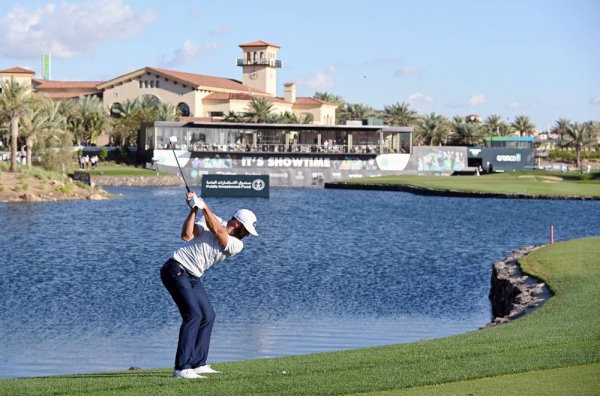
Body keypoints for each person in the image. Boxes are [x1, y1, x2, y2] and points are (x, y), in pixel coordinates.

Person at [160, 192, 258, 379]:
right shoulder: (211, 220)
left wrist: (204, 207)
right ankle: (181, 368)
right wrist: (194, 209)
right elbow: (187, 235)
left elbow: (219, 233)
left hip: (193, 276)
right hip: (175, 270)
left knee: (208, 315)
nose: (247, 235)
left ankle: (197, 364)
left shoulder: (237, 244)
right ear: (237, 223)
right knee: (194, 315)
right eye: (246, 230)